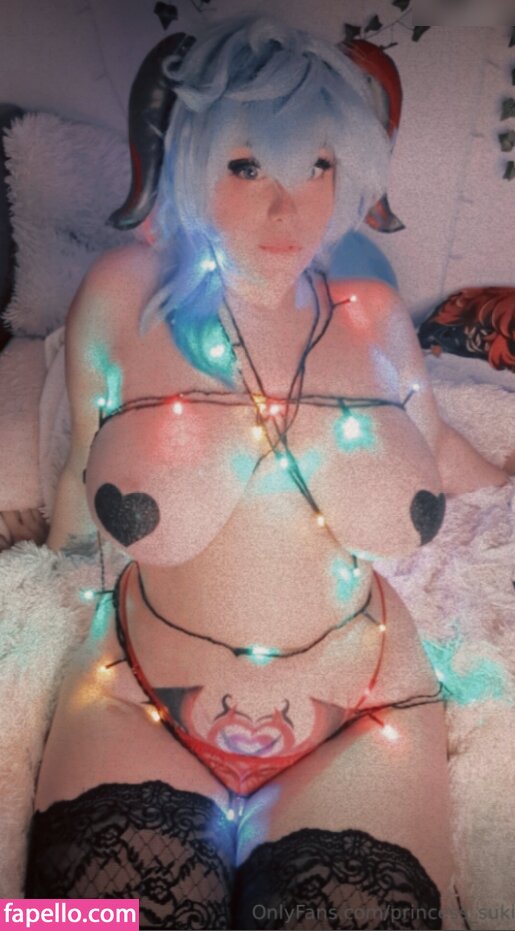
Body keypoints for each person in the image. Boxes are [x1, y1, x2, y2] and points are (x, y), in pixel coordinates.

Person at [24, 13, 508, 929]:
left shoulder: (368, 310)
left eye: (318, 165)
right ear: (187, 164)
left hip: (367, 715)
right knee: (61, 922)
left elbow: (439, 447)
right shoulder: (122, 293)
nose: (291, 209)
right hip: (134, 696)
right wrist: (43, 574)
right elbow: (80, 474)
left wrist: (505, 483)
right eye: (247, 167)